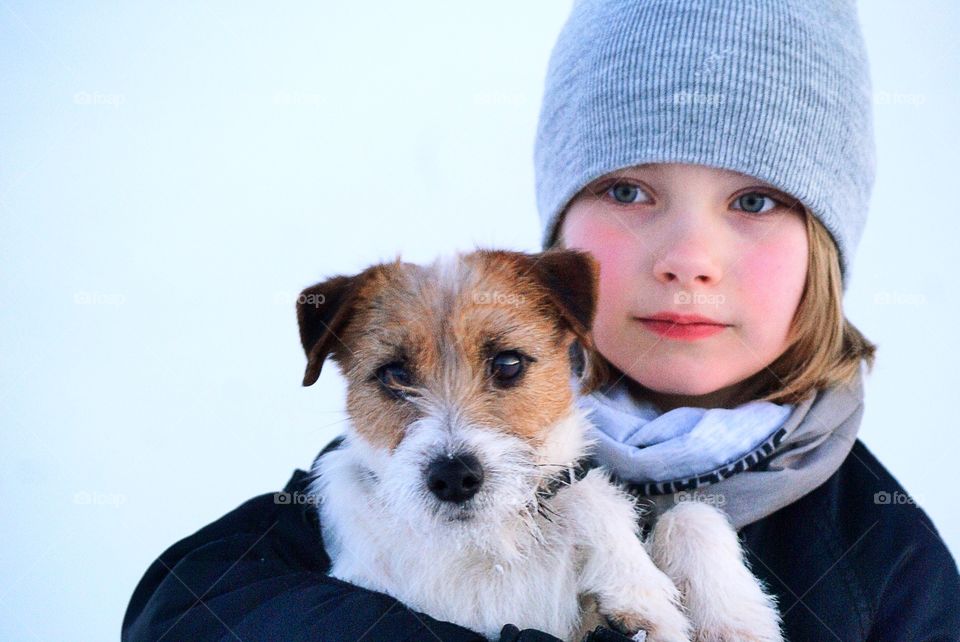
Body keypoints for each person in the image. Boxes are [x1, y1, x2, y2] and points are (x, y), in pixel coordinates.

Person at [122, 1, 960, 640]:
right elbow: (180, 604)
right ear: (559, 243)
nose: (687, 257)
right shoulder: (387, 479)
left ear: (826, 247)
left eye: (756, 199)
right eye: (628, 190)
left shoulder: (885, 554)